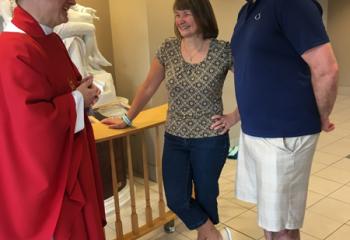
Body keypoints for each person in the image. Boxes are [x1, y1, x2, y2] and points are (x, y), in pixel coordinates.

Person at [102, 0, 232, 239]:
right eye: (177, 15)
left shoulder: (223, 50)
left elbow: (255, 83)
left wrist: (234, 117)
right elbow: (148, 86)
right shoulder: (169, 48)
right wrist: (127, 118)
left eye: (186, 14)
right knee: (176, 197)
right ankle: (213, 235)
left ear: (202, 15)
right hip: (175, 139)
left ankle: (206, 236)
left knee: (205, 196)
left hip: (210, 140)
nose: (180, 20)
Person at [211, 0, 339, 239]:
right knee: (271, 219)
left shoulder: (293, 4)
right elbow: (256, 73)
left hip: (285, 132)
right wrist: (236, 116)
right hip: (255, 132)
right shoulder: (247, 10)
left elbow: (326, 69)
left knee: (282, 226)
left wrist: (322, 115)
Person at [0, 0, 106, 239]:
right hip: (53, 186)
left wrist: (82, 95)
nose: (73, 2)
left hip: (73, 167)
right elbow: (31, 129)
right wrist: (78, 99)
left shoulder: (52, 41)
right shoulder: (11, 50)